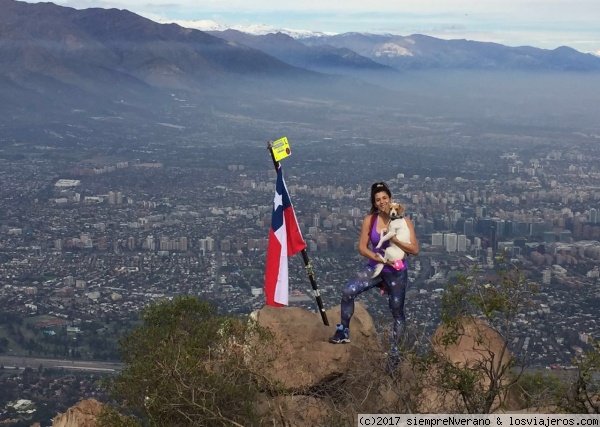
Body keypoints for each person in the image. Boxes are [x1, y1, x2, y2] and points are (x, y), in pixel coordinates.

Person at [329, 181, 419, 365]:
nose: (382, 202)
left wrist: (394, 239)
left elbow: (414, 249)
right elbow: (362, 247)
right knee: (348, 291)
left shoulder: (404, 221)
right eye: (378, 199)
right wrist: (376, 257)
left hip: (395, 271)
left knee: (397, 312)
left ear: (391, 199)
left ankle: (395, 353)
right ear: (374, 202)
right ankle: (343, 331)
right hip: (375, 267)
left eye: (385, 198)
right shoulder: (370, 220)